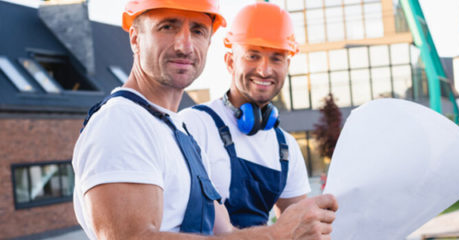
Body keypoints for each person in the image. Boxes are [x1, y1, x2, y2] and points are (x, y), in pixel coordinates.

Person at [71, 0, 337, 239]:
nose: (184, 45)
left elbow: (227, 234)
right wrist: (276, 235)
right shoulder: (122, 121)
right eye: (167, 27)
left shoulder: (178, 132)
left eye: (198, 30)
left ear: (209, 42)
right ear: (135, 38)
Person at [179, 2, 309, 229]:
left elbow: (302, 227)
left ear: (287, 66)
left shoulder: (285, 148)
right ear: (230, 62)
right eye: (253, 56)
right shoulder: (194, 126)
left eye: (276, 58)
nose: (264, 70)